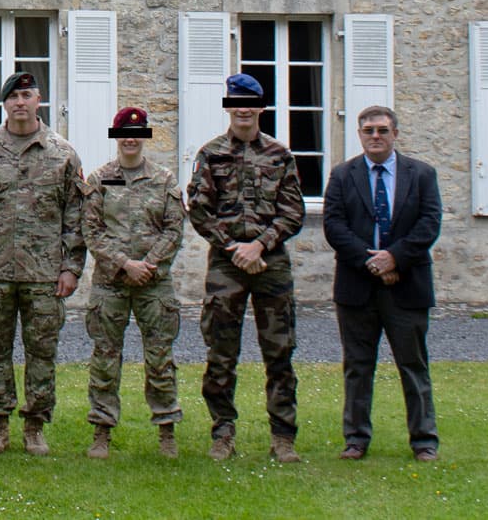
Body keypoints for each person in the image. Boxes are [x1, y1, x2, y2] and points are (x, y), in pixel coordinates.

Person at [0, 70, 86, 457]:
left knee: (42, 353)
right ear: (5, 104)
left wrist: (71, 267)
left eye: (27, 95)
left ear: (39, 101)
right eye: (13, 97)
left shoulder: (62, 153)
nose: (20, 103)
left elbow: (76, 215)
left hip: (44, 274)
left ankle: (35, 426)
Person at [187, 72, 307, 463]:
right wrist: (233, 246)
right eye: (235, 103)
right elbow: (199, 210)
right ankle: (223, 433)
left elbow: (293, 212)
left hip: (271, 266)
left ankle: (282, 436)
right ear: (228, 107)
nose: (242, 110)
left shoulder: (280, 155)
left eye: (249, 103)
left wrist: (259, 245)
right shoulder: (211, 154)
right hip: (226, 266)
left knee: (279, 353)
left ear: (260, 107)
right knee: (221, 353)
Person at [322, 105, 442, 462]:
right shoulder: (343, 175)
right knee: (357, 367)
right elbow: (334, 226)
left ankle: (424, 440)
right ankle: (356, 439)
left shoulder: (421, 174)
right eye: (368, 130)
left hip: (408, 284)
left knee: (413, 365)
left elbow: (429, 223)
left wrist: (395, 258)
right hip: (357, 286)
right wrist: (373, 262)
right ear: (359, 134)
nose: (375, 136)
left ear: (395, 134)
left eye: (382, 130)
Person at [81, 106, 186, 460]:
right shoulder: (99, 180)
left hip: (154, 284)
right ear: (116, 136)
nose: (130, 139)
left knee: (159, 358)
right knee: (106, 358)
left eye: (137, 133)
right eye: (124, 133)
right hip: (111, 282)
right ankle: (101, 431)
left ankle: (167, 431)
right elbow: (91, 231)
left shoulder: (164, 180)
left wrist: (148, 265)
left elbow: (174, 229)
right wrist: (125, 264)